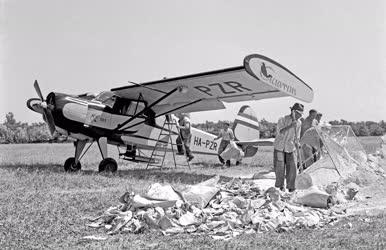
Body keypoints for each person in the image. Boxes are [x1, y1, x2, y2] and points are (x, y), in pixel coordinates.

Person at [273, 103, 304, 192]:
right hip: (279, 147)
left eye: (301, 114)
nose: (300, 116)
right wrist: (290, 126)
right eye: (298, 113)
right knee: (280, 167)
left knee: (293, 167)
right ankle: (280, 186)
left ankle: (291, 187)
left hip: (291, 147)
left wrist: (298, 143)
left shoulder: (299, 123)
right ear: (293, 112)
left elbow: (297, 137)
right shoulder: (282, 119)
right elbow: (280, 132)